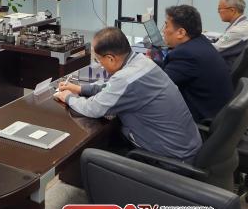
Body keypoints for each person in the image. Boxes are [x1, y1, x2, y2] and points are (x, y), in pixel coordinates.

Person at [54, 26, 202, 163]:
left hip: (170, 160)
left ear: (111, 58)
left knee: (90, 157)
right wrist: (80, 89)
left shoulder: (125, 78)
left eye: (99, 60)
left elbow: (93, 108)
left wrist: (67, 97)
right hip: (186, 147)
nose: (100, 65)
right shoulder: (142, 62)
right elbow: (111, 88)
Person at [160, 5, 233, 122]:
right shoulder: (200, 42)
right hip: (217, 113)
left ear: (181, 32)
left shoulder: (185, 55)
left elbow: (158, 86)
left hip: (198, 120)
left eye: (166, 25)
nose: (163, 30)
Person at [213, 0, 248, 64]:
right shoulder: (245, 23)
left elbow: (214, 49)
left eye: (219, 8)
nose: (218, 12)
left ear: (232, 10)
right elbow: (224, 38)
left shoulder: (238, 31)